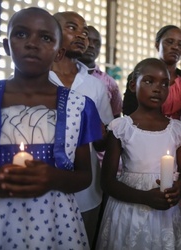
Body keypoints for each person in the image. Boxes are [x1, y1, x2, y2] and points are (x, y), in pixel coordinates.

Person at [0, 7, 102, 249]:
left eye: (45, 38)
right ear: (6, 45)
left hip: (56, 222)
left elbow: (85, 176)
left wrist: (54, 177)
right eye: (21, 34)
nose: (33, 44)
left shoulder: (79, 106)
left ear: (59, 52)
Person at [96, 58, 181, 249]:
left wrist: (178, 188)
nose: (158, 88)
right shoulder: (121, 128)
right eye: (149, 81)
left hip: (167, 213)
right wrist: (144, 198)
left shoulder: (179, 131)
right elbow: (107, 182)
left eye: (164, 83)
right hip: (128, 211)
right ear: (133, 85)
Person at [51, 11, 114, 247]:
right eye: (72, 28)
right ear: (52, 32)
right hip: (45, 187)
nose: (81, 35)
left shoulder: (94, 85)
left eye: (84, 31)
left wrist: (105, 132)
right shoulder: (36, 77)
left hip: (86, 192)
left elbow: (101, 142)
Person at [122, 25, 181, 119]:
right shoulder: (138, 77)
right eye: (170, 42)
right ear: (157, 45)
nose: (175, 47)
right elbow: (128, 112)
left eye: (180, 44)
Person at [79, 25, 122, 118]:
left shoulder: (110, 83)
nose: (92, 45)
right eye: (88, 40)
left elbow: (116, 118)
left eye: (97, 43)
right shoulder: (64, 75)